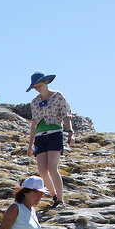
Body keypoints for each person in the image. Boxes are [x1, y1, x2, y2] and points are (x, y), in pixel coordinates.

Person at [27, 71, 75, 206]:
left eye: (39, 84)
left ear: (46, 82)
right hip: (40, 136)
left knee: (52, 168)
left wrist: (70, 132)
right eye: (35, 86)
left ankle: (60, 200)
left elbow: (66, 115)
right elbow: (34, 123)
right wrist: (30, 144)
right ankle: (53, 196)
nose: (37, 88)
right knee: (42, 170)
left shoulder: (58, 96)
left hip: (54, 133)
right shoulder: (35, 102)